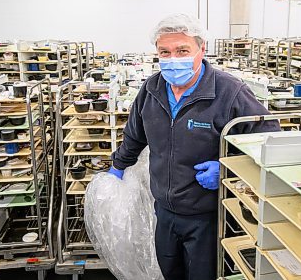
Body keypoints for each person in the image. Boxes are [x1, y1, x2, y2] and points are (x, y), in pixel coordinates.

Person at [108, 14, 280, 280]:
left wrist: (226, 170)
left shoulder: (229, 92)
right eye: (164, 52)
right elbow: (134, 136)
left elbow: (268, 141)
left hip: (209, 215)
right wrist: (117, 167)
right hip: (164, 211)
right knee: (170, 272)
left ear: (202, 49)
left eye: (182, 50)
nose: (173, 59)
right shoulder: (150, 89)